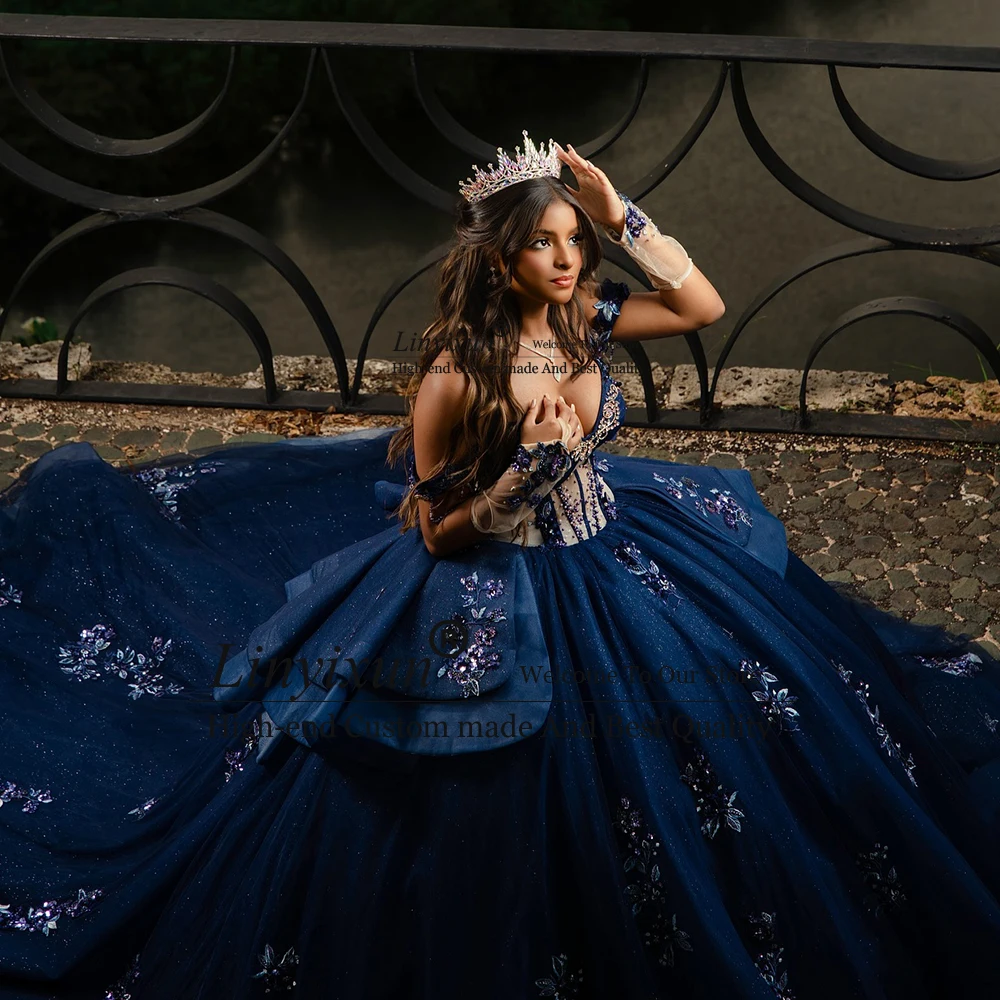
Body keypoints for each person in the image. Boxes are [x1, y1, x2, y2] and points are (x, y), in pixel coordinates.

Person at [0, 130, 998, 1000]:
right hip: (500, 579)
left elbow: (700, 305)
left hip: (621, 547)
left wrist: (619, 212)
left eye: (574, 241)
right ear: (499, 257)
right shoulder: (455, 373)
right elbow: (435, 530)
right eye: (544, 243)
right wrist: (528, 473)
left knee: (739, 706)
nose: (567, 259)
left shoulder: (585, 316)